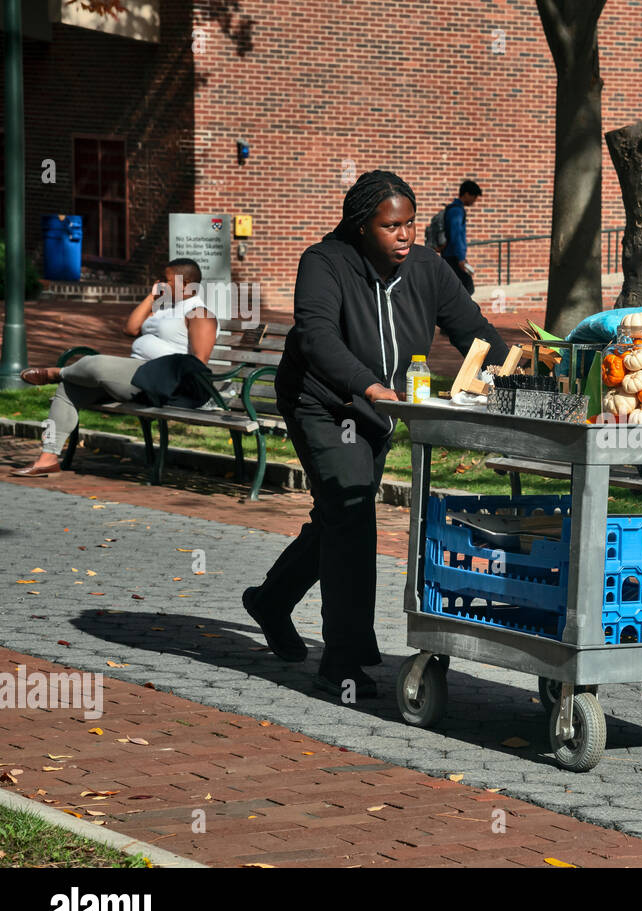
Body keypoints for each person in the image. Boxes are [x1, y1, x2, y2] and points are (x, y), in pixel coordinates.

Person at [242, 170, 508, 699]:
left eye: (410, 223)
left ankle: (271, 600)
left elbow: (473, 330)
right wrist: (367, 386)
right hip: (325, 402)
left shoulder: (429, 268)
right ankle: (342, 659)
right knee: (352, 513)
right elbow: (316, 336)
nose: (406, 235)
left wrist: (518, 376)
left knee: (341, 513)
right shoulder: (324, 263)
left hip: (381, 408)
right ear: (361, 226)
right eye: (392, 226)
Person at [11, 259, 216, 477]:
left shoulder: (200, 314)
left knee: (96, 364)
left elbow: (198, 362)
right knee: (69, 388)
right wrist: (151, 297)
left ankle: (56, 373)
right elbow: (131, 328)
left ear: (185, 284)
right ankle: (47, 458)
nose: (160, 284)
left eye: (166, 281)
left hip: (161, 383)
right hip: (133, 376)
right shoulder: (165, 309)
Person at [441, 179, 482, 294]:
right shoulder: (456, 211)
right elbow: (456, 235)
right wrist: (461, 258)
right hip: (453, 256)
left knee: (456, 289)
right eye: (474, 197)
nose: (474, 200)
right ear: (467, 194)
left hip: (450, 255)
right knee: (466, 289)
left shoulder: (453, 209)